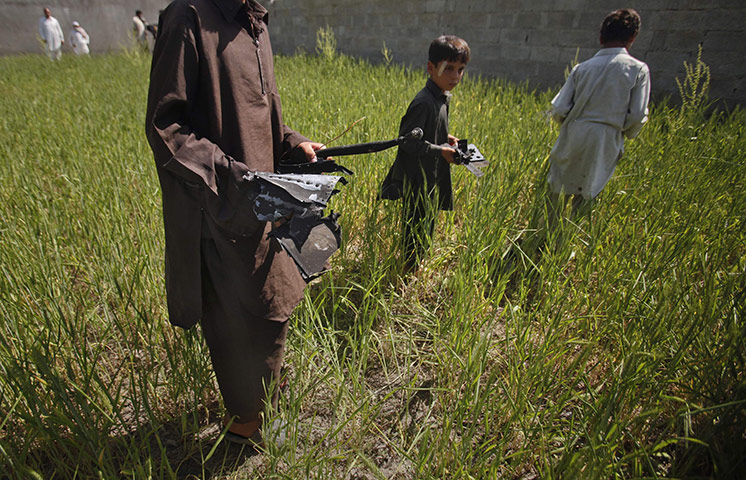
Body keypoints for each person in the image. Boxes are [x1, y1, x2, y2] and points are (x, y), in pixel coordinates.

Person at [145, 0, 325, 446]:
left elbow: (261, 114)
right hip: (220, 207)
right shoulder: (188, 18)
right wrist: (233, 176)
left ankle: (266, 404)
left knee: (274, 302)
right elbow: (167, 128)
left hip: (264, 199)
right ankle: (245, 430)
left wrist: (294, 142)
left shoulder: (255, 19)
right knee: (237, 316)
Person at [545, 8, 650, 228]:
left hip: (575, 131)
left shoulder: (582, 68)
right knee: (588, 189)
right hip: (606, 136)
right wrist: (625, 132)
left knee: (558, 186)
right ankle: (566, 241)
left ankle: (547, 233)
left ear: (601, 37)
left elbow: (560, 107)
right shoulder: (638, 70)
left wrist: (568, 123)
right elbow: (638, 114)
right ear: (632, 39)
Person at [380, 35, 470, 272]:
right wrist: (441, 151)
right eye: (449, 68)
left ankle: (418, 262)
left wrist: (445, 138)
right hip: (417, 178)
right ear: (431, 68)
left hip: (430, 175)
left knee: (428, 219)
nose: (455, 76)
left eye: (460, 70)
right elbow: (408, 143)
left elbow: (427, 134)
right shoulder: (424, 102)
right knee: (416, 223)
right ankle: (409, 267)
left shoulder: (441, 98)